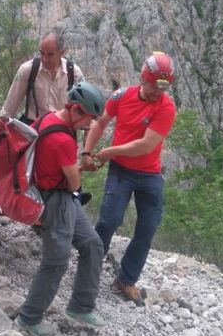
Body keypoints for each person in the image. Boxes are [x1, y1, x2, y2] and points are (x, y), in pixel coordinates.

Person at [81, 51, 177, 306]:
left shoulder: (166, 107)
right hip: (121, 171)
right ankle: (88, 268)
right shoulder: (121, 96)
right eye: (154, 86)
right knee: (109, 220)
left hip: (149, 174)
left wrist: (108, 152)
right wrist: (87, 152)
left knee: (147, 228)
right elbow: (100, 123)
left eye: (163, 88)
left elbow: (146, 145)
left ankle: (126, 279)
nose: (158, 93)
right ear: (143, 78)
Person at [14, 82, 107, 336]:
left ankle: (80, 306)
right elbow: (75, 183)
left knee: (92, 244)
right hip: (56, 201)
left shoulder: (48, 117)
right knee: (56, 261)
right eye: (88, 118)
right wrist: (81, 167)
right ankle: (28, 319)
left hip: (61, 197)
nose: (89, 125)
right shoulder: (63, 140)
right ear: (76, 110)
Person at [0, 30, 84, 125]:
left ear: (62, 53)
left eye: (50, 54)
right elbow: (8, 110)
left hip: (62, 132)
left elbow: (86, 111)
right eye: (42, 53)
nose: (44, 59)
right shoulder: (27, 70)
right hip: (33, 131)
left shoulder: (74, 73)